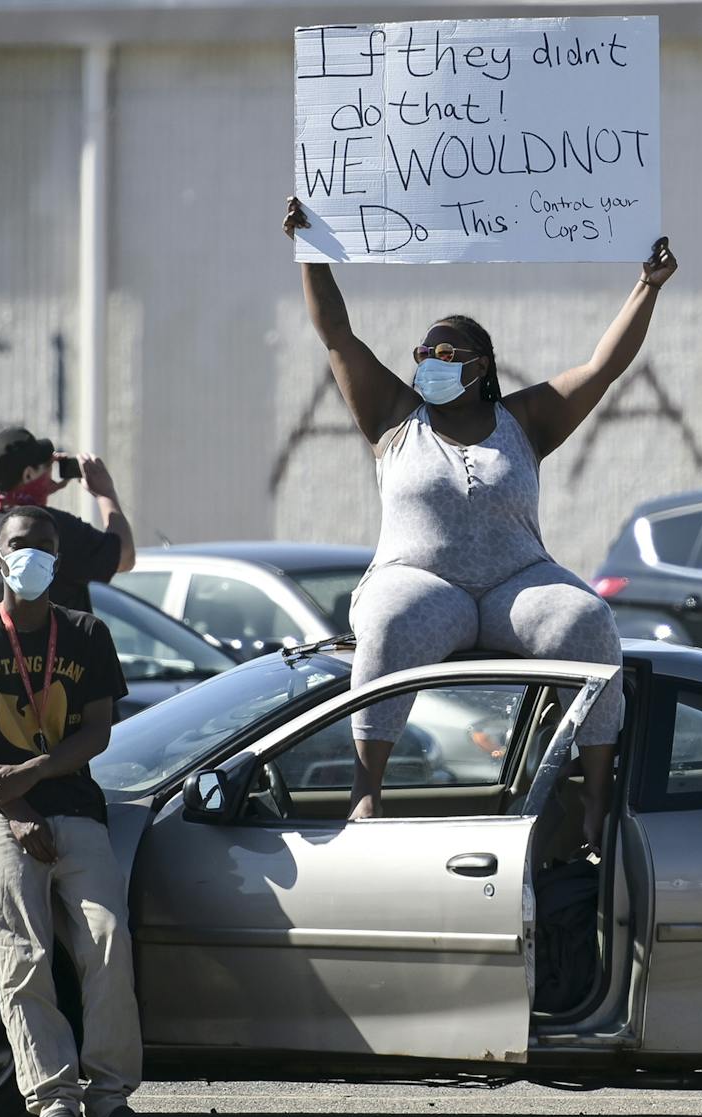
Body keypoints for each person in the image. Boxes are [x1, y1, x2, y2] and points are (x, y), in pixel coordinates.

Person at [283, 195, 678, 853]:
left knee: (588, 620)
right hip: (419, 581)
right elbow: (336, 335)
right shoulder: (393, 415)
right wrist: (312, 252)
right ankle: (366, 793)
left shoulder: (525, 421)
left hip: (515, 584)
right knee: (387, 623)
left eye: (448, 350)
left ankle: (597, 799)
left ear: (481, 367)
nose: (431, 359)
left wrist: (647, 286)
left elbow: (603, 366)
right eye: (424, 350)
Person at [0, 505, 154, 1117]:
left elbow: (97, 730)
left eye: (46, 545)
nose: (33, 556)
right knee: (23, 953)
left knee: (107, 943)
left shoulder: (84, 632)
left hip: (76, 810)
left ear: (60, 558)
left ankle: (109, 1098)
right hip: (1, 816)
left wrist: (37, 773)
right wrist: (16, 808)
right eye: (21, 544)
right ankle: (53, 1101)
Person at [0, 426, 136, 614]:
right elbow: (125, 557)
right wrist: (105, 494)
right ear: (28, 474)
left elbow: (18, 510)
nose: (49, 472)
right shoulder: (54, 528)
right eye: (46, 467)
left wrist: (39, 489)